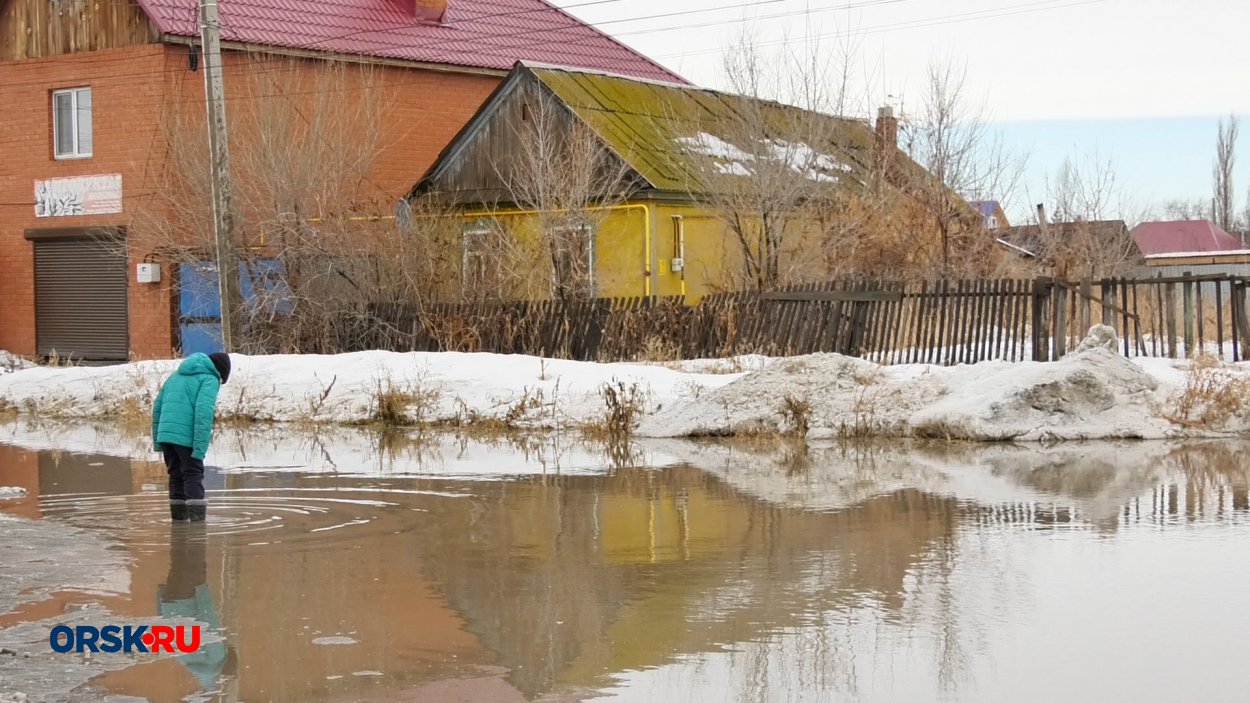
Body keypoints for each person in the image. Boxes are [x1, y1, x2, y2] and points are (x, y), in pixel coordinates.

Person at [152, 352, 230, 521]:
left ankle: (178, 523)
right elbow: (203, 413)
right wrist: (200, 447)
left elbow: (157, 406)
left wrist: (159, 439)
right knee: (193, 474)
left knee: (175, 475)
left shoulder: (176, 375)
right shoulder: (209, 379)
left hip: (166, 436)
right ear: (220, 373)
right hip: (185, 435)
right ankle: (197, 529)